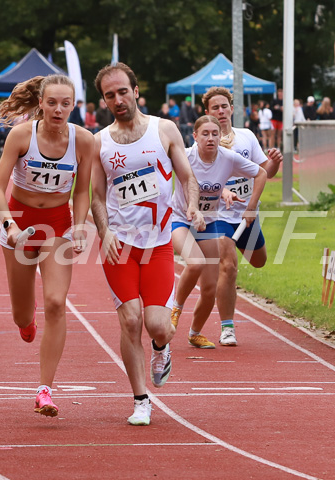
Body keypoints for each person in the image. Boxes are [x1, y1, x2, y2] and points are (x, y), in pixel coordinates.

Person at [90, 63, 202, 426]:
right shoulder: (100, 141)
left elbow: (187, 176)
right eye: (110, 95)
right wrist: (104, 231)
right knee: (130, 320)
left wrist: (193, 206)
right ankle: (141, 400)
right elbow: (96, 194)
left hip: (157, 243)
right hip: (119, 244)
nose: (118, 100)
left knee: (158, 325)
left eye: (123, 91)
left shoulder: (164, 129)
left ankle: (161, 347)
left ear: (136, 91)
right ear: (104, 100)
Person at [0, 74, 93, 417]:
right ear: (40, 104)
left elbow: (81, 190)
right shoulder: (21, 135)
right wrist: (9, 225)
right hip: (20, 224)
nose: (58, 110)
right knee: (22, 314)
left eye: (66, 104)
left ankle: (44, 390)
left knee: (55, 302)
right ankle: (25, 320)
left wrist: (79, 226)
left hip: (57, 225)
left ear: (74, 105)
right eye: (52, 103)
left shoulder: (84, 141)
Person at [192, 87, 283, 347]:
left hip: (245, 215)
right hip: (216, 215)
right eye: (214, 108)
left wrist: (274, 162)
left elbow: (264, 172)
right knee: (229, 266)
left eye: (224, 106)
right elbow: (196, 179)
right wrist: (223, 191)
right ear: (207, 112)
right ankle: (228, 327)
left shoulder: (246, 137)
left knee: (259, 261)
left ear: (232, 109)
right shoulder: (204, 141)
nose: (220, 111)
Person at [170, 115, 266, 348]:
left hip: (209, 222)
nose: (211, 138)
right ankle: (175, 309)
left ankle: (195, 333)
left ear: (220, 136)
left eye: (215, 133)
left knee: (210, 287)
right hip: (181, 219)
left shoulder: (228, 158)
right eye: (205, 134)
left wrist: (249, 207)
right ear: (194, 136)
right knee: (195, 263)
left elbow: (261, 173)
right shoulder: (185, 156)